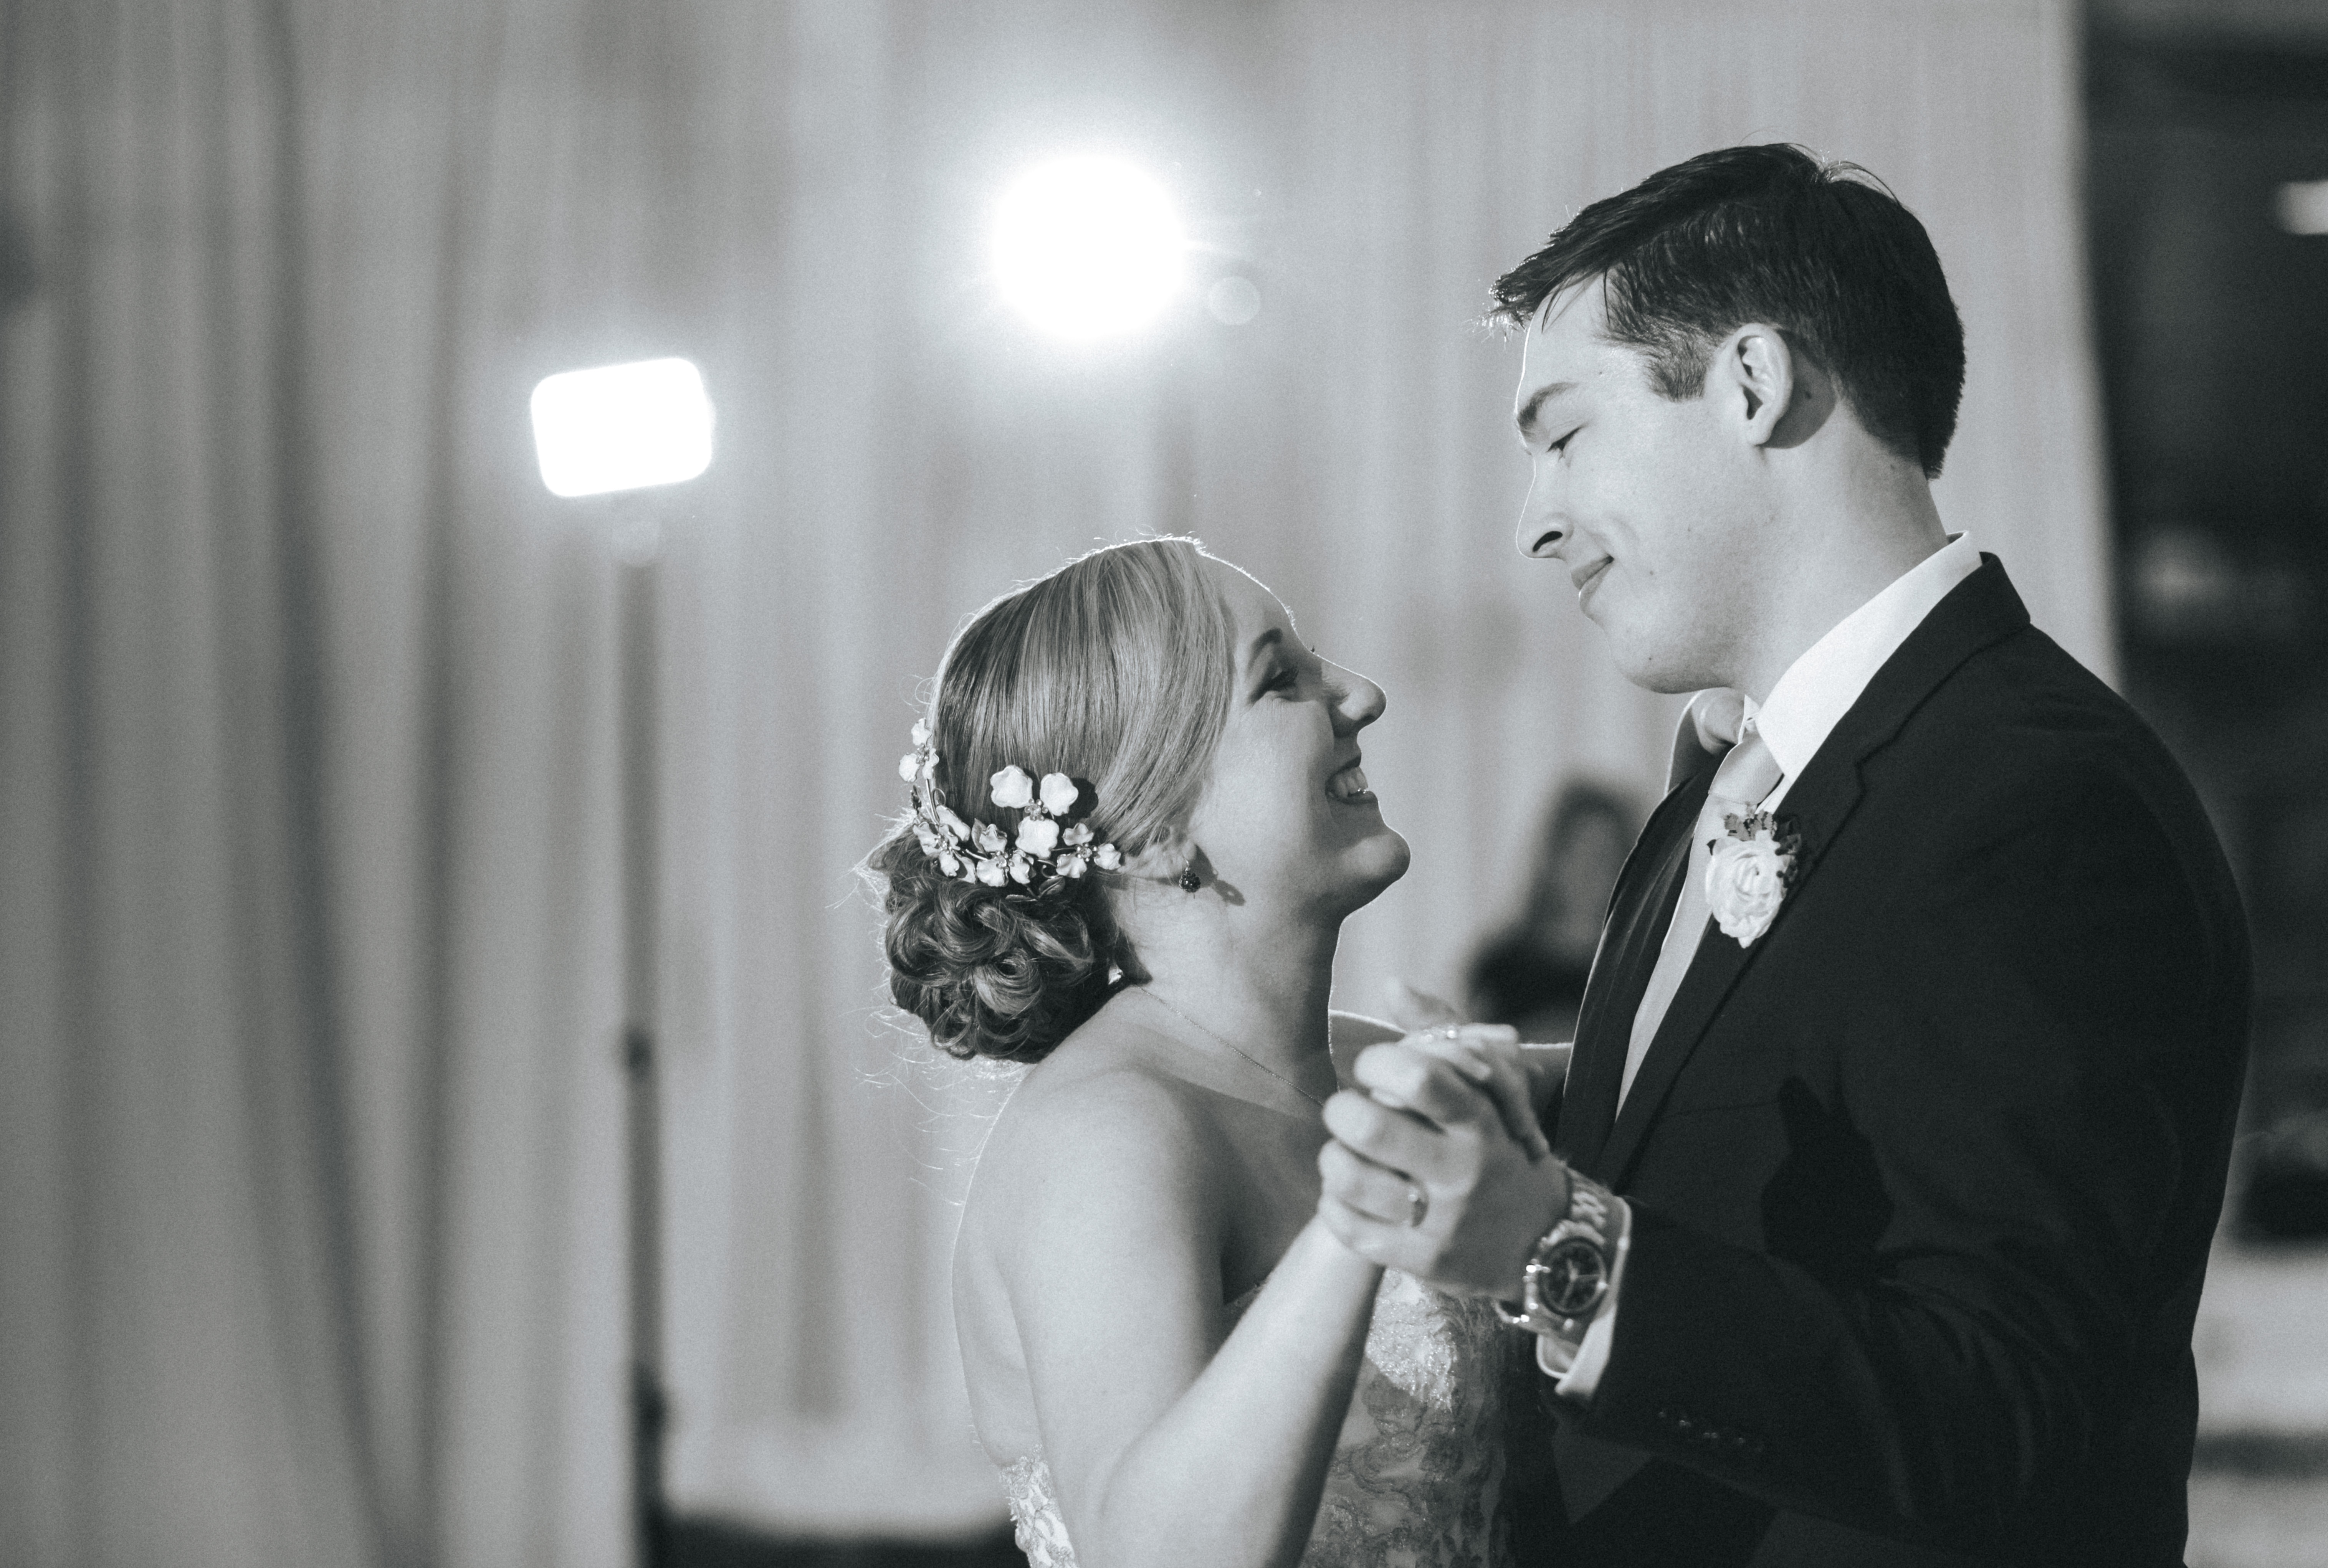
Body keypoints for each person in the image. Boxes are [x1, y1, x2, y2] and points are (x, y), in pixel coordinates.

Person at [1316, 144, 2250, 1566]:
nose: (1535, 522)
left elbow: (2010, 1410)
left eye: (1565, 436)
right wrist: (1520, 1097)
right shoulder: (1737, 776)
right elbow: (1779, 1108)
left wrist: (1550, 1245)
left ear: (1754, 385)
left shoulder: (2036, 800)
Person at [872, 537, 1560, 1568]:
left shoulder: (1373, 1068)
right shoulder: (1105, 1134)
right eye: (1281, 679)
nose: (1362, 696)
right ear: (1154, 834)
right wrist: (1361, 1207)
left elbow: (1672, 1082)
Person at [1466, 781, 1645, 1045]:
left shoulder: (1640, 964)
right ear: (1553, 860)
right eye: (1579, 852)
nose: (1590, 870)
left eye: (1604, 855)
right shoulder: (1502, 964)